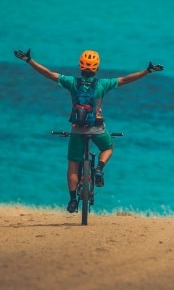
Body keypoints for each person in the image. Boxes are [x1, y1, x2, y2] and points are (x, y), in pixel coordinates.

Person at [14, 48, 163, 213]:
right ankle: (99, 168)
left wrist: (29, 61)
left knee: (73, 164)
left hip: (77, 129)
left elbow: (49, 74)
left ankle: (72, 201)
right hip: (97, 128)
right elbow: (126, 79)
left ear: (80, 67)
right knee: (108, 147)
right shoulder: (102, 84)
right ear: (97, 68)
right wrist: (147, 71)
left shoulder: (72, 82)